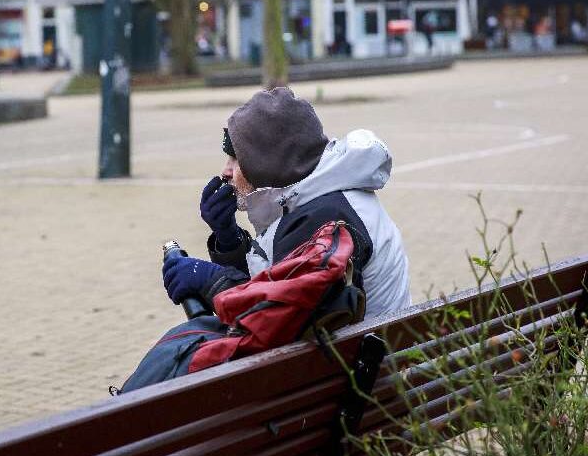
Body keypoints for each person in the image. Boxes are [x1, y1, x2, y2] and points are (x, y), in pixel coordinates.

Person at [162, 87, 410, 320]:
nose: (226, 171)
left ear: (267, 162)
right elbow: (279, 280)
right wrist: (229, 241)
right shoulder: (311, 199)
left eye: (236, 159)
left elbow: (283, 318)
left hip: (347, 362)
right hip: (362, 351)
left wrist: (213, 282)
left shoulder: (323, 217)